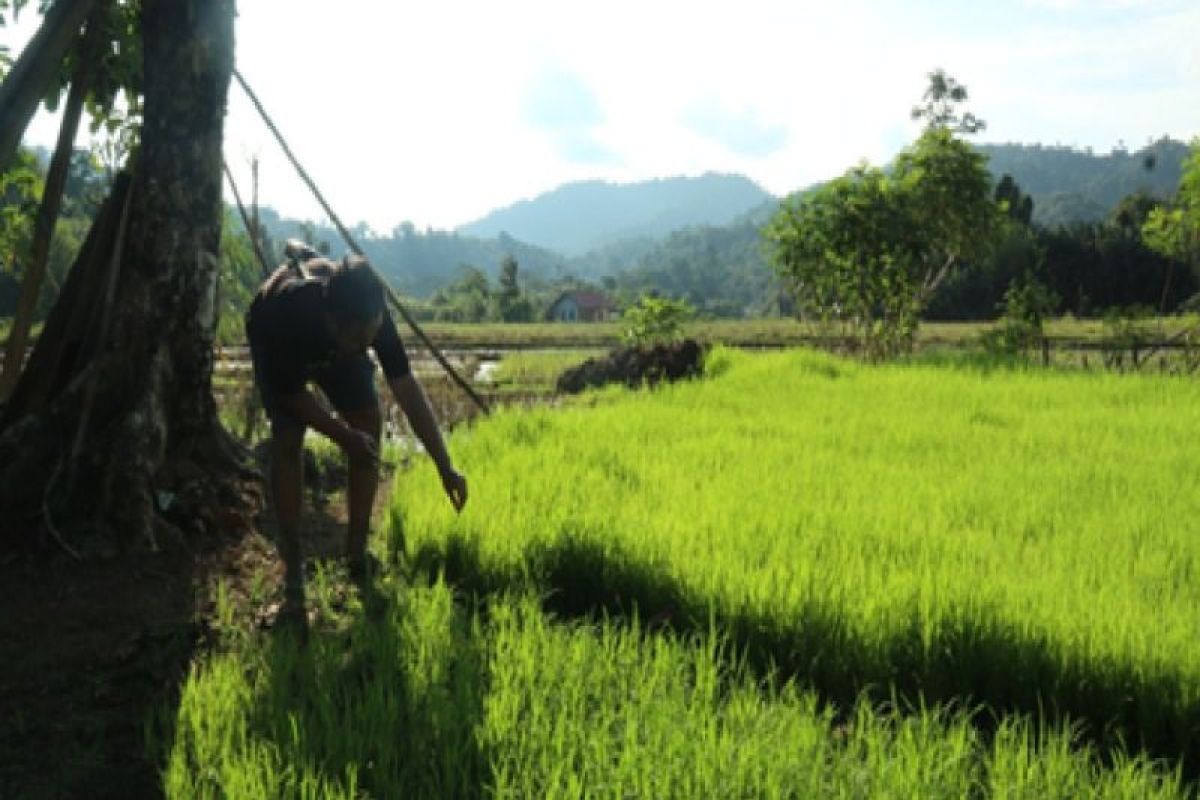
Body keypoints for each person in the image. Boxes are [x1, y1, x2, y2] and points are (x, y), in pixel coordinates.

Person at [245, 246, 467, 622]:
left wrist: (445, 466)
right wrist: (343, 437)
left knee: (368, 421)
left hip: (334, 344)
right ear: (333, 322)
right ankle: (294, 569)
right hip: (277, 340)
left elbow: (406, 388)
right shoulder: (289, 311)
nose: (367, 346)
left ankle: (356, 554)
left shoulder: (371, 316)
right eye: (359, 339)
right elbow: (291, 396)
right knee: (288, 439)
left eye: (371, 337)